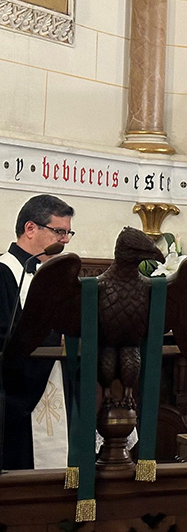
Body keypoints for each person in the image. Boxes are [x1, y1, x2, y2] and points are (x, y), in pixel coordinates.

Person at [1, 194, 75, 470]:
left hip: (56, 389)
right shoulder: (4, 272)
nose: (66, 240)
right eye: (59, 231)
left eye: (68, 232)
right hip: (17, 401)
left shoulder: (54, 277)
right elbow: (5, 339)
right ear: (30, 228)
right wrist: (58, 338)